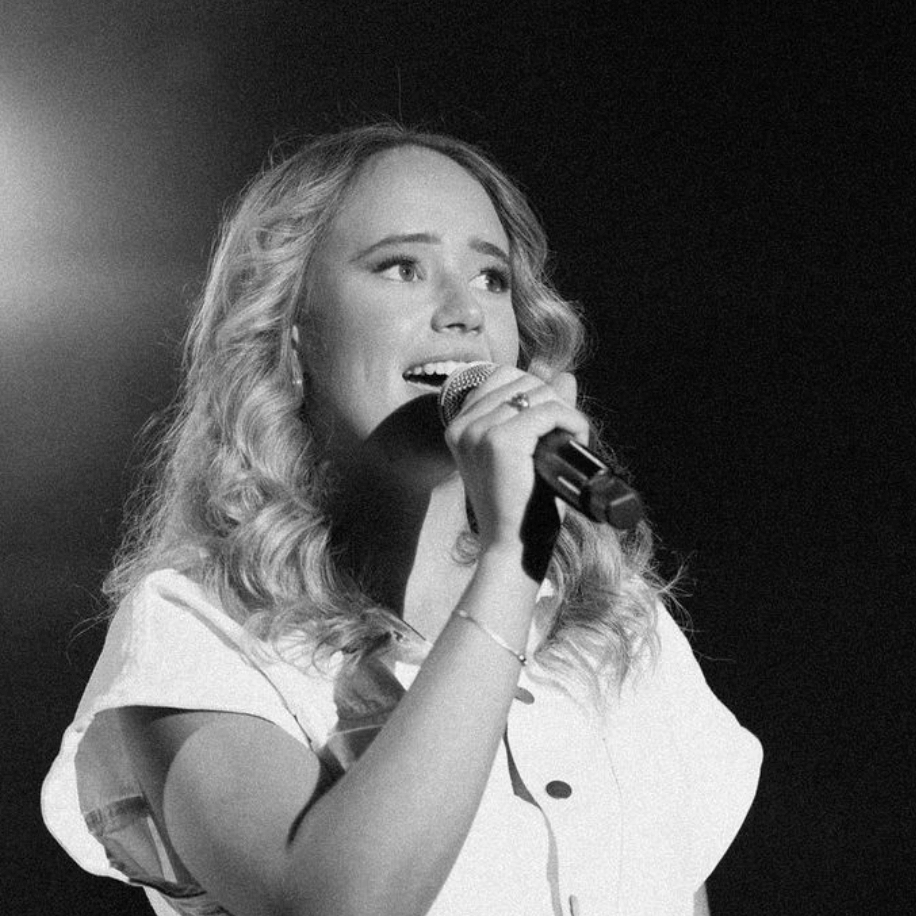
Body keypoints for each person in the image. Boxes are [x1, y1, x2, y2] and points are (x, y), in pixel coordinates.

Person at [42, 123, 762, 916]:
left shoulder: (615, 625)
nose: (465, 311)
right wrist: (509, 560)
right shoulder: (198, 628)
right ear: (289, 336)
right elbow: (337, 905)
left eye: (492, 278)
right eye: (402, 267)